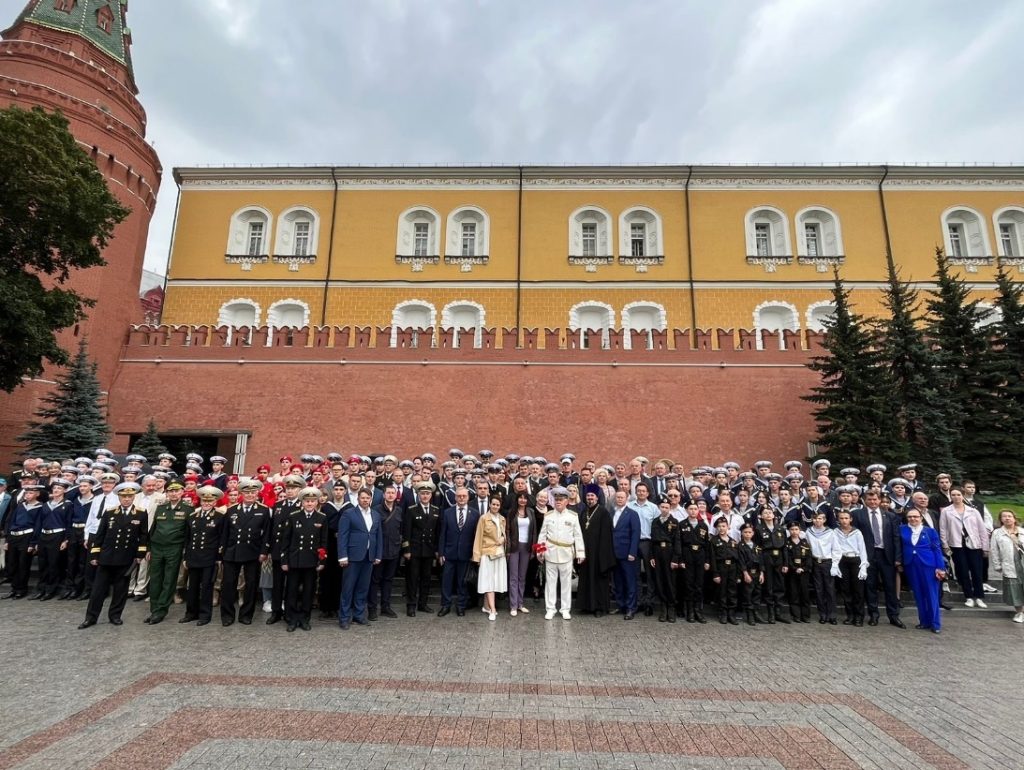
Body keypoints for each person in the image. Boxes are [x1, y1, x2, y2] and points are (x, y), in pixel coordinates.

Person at [78, 482, 148, 628]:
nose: (127, 499)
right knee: (98, 590)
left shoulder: (141, 513)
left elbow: (143, 535)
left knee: (120, 591)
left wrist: (140, 554)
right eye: (124, 496)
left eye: (130, 496)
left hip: (126, 557)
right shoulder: (109, 512)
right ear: (119, 497)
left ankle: (115, 616)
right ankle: (91, 618)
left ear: (134, 497)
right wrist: (94, 555)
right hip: (107, 557)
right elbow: (100, 535)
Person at [220, 478, 271, 626]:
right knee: (228, 584)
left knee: (251, 585)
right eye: (247, 492)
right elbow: (225, 533)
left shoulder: (263, 510)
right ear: (242, 493)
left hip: (253, 552)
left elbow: (267, 533)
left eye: (253, 492)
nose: (250, 495)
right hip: (232, 551)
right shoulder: (231, 510)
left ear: (257, 494)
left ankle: (246, 615)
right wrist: (222, 551)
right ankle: (227, 615)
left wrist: (264, 551)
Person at [853, 489, 905, 629]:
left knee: (890, 586)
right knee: (870, 586)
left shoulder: (890, 516)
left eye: (875, 499)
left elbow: (896, 538)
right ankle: (873, 615)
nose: (873, 502)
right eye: (869, 500)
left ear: (879, 500)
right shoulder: (857, 514)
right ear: (864, 500)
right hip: (868, 555)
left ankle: (894, 616)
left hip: (886, 555)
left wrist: (898, 557)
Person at [281, 487, 328, 631]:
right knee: (292, 590)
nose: (309, 504)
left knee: (309, 590)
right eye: (307, 501)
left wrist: (322, 561)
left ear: (316, 503)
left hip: (311, 560)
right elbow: (286, 540)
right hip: (295, 559)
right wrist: (284, 561)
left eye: (312, 501)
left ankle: (305, 618)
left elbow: (324, 542)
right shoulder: (294, 516)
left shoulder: (321, 518)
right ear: (302, 502)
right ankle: (292, 618)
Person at [145, 480, 192, 625]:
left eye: (176, 491)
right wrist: (148, 548)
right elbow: (152, 529)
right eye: (171, 491)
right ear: (167, 492)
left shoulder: (188, 509)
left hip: (174, 548)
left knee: (169, 580)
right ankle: (154, 610)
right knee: (155, 579)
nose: (173, 493)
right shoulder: (161, 508)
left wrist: (186, 551)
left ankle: (161, 611)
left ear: (182, 492)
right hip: (157, 547)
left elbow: (188, 533)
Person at [536, 486, 585, 620]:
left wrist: (580, 553)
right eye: (556, 499)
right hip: (551, 552)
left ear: (567, 501)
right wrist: (540, 552)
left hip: (566, 553)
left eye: (561, 500)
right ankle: (550, 608)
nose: (558, 502)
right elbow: (542, 535)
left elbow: (578, 535)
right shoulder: (548, 515)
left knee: (566, 583)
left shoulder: (573, 516)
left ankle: (565, 609)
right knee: (550, 583)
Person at [337, 487, 382, 629]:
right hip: (352, 556)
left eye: (367, 498)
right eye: (362, 497)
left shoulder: (375, 514)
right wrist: (342, 556)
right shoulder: (348, 514)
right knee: (348, 588)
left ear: (371, 499)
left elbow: (378, 536)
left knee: (363, 588)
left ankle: (359, 615)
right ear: (358, 499)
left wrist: (378, 555)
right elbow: (343, 536)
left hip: (369, 556)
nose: (365, 500)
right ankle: (344, 617)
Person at [180, 485, 225, 626]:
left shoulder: (219, 517)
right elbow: (188, 539)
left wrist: (218, 558)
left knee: (206, 587)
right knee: (192, 586)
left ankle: (205, 615)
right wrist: (186, 557)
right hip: (193, 556)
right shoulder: (193, 516)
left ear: (214, 502)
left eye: (209, 501)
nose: (206, 503)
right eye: (204, 501)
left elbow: (221, 539)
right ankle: (191, 613)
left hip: (209, 557)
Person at [939, 488, 990, 608]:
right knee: (962, 571)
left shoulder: (973, 511)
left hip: (974, 544)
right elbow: (943, 530)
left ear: (963, 496)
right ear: (950, 497)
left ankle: (979, 597)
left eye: (958, 494)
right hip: (957, 545)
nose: (956, 497)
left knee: (977, 571)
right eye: (953, 495)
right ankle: (968, 596)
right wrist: (945, 545)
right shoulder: (946, 511)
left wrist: (985, 547)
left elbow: (982, 530)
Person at [900, 508, 946, 633]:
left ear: (921, 518)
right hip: (911, 565)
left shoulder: (930, 531)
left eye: (915, 516)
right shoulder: (902, 529)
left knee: (931, 594)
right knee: (918, 594)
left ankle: (935, 624)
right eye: (910, 517)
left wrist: (941, 567)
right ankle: (924, 621)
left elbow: (937, 550)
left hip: (928, 565)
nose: (912, 519)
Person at [437, 487, 479, 617]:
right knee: (447, 581)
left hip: (466, 554)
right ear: (455, 498)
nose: (461, 498)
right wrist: (441, 552)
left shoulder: (475, 513)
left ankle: (461, 606)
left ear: (468, 497)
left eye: (464, 496)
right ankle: (445, 605)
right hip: (449, 553)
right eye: (459, 496)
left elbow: (475, 536)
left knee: (462, 582)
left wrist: (474, 554)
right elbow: (442, 533)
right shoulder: (447, 512)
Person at [401, 481, 440, 616]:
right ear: (418, 495)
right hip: (415, 550)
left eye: (427, 493)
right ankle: (411, 605)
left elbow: (437, 532)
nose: (425, 496)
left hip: (428, 550)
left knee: (426, 578)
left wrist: (436, 550)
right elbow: (406, 531)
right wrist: (406, 550)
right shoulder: (412, 510)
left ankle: (423, 604)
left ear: (431, 495)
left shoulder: (436, 510)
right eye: (422, 493)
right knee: (412, 579)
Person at [574, 486, 615, 616]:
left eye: (592, 496)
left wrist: (602, 555)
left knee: (598, 581)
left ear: (597, 498)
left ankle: (599, 607)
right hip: (585, 553)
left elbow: (607, 536)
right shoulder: (583, 512)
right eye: (588, 496)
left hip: (599, 554)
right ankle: (586, 605)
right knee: (586, 579)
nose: (590, 498)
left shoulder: (603, 513)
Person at [2, 482, 44, 599]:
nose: (27, 495)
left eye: (31, 492)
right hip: (14, 536)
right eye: (26, 492)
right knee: (12, 563)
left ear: (37, 494)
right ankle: (14, 588)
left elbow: (38, 526)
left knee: (23, 564)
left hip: (27, 537)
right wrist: (7, 540)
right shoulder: (20, 506)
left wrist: (33, 543)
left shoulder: (40, 507)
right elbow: (12, 522)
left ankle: (22, 589)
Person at [369, 484, 404, 620]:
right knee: (375, 580)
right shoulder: (376, 510)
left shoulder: (399, 511)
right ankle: (372, 608)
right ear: (383, 495)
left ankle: (385, 607)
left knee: (388, 580)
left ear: (396, 495)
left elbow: (400, 530)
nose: (390, 495)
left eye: (392, 493)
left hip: (394, 551)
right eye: (388, 493)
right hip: (379, 551)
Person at [34, 478, 72, 600]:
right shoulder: (46, 505)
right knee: (42, 563)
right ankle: (42, 589)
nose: (56, 490)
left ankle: (51, 590)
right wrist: (36, 540)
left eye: (59, 488)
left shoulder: (68, 505)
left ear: (64, 490)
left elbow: (69, 523)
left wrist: (66, 540)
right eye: (54, 488)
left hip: (58, 536)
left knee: (54, 564)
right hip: (44, 535)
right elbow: (39, 523)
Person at [831, 510, 869, 626]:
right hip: (842, 560)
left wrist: (863, 565)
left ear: (850, 519)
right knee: (845, 590)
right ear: (838, 520)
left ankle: (859, 617)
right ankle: (850, 615)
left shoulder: (857, 532)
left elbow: (862, 549)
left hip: (855, 560)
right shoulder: (835, 532)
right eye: (841, 518)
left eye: (846, 518)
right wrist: (835, 564)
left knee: (858, 590)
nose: (844, 521)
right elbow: (834, 548)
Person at [472, 496, 507, 621]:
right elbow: (478, 538)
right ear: (490, 505)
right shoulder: (483, 518)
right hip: (487, 553)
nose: (495, 507)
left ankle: (486, 606)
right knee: (489, 581)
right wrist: (477, 556)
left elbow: (504, 535)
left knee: (495, 580)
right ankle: (493, 609)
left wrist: (503, 539)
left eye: (498, 505)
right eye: (493, 504)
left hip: (499, 554)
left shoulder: (502, 519)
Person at [610, 489, 642, 619]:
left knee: (630, 581)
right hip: (614, 553)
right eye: (617, 497)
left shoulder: (632, 514)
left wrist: (632, 552)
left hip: (627, 553)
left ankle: (630, 607)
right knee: (617, 581)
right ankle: (621, 605)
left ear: (627, 498)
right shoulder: (612, 513)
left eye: (622, 497)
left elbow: (635, 534)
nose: (619, 499)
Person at [677, 500, 710, 624]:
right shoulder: (682, 524)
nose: (693, 511)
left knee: (699, 585)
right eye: (690, 509)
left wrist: (707, 560)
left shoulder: (703, 525)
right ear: (687, 510)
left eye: (695, 509)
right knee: (688, 584)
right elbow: (678, 543)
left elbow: (707, 545)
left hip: (700, 556)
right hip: (687, 555)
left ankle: (698, 611)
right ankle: (690, 611)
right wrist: (680, 559)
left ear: (698, 510)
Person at [505, 491, 536, 616]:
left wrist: (533, 548)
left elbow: (534, 532)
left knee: (522, 577)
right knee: (513, 576)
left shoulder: (531, 512)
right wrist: (507, 548)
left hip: (526, 547)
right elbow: (507, 531)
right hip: (514, 546)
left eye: (525, 498)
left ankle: (520, 604)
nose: (522, 500)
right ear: (517, 499)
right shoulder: (511, 512)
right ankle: (513, 605)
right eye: (520, 498)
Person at [990, 510, 1024, 623]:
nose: (1007, 518)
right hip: (1009, 564)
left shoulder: (1022, 531)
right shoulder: (997, 533)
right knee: (1014, 590)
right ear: (1001, 519)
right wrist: (997, 565)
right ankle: (1020, 612)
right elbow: (994, 550)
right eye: (1004, 516)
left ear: (1014, 518)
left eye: (1009, 516)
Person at [648, 500, 680, 622]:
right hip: (657, 552)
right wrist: (651, 556)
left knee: (670, 581)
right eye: (662, 507)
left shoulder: (674, 522)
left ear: (670, 508)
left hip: (669, 552)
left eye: (667, 507)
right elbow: (651, 540)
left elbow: (677, 541)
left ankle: (671, 607)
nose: (664, 509)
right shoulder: (655, 521)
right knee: (660, 580)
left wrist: (675, 558)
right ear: (659, 507)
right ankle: (663, 607)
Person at [710, 517, 740, 625]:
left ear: (728, 527)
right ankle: (723, 613)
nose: (721, 528)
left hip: (732, 568)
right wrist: (715, 574)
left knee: (732, 591)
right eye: (719, 526)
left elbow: (738, 559)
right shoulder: (714, 541)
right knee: (722, 591)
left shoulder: (733, 541)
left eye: (723, 526)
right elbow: (712, 558)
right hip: (721, 567)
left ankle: (731, 613)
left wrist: (738, 574)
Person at [782, 520, 812, 623]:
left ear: (800, 530)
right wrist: (795, 568)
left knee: (805, 593)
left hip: (804, 571)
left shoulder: (804, 542)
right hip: (792, 572)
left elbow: (808, 557)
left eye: (796, 529)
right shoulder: (787, 543)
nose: (794, 531)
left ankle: (805, 615)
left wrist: (804, 568)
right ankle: (796, 615)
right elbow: (787, 558)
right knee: (794, 593)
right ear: (789, 530)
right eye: (792, 529)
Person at [737, 523, 767, 625]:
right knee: (748, 594)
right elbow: (741, 561)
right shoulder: (740, 546)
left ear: (753, 533)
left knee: (757, 593)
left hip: (757, 573)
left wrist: (762, 573)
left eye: (749, 532)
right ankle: (750, 615)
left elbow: (761, 560)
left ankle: (756, 613)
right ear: (741, 533)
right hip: (748, 573)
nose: (747, 534)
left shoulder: (756, 546)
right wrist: (745, 573)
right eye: (745, 532)